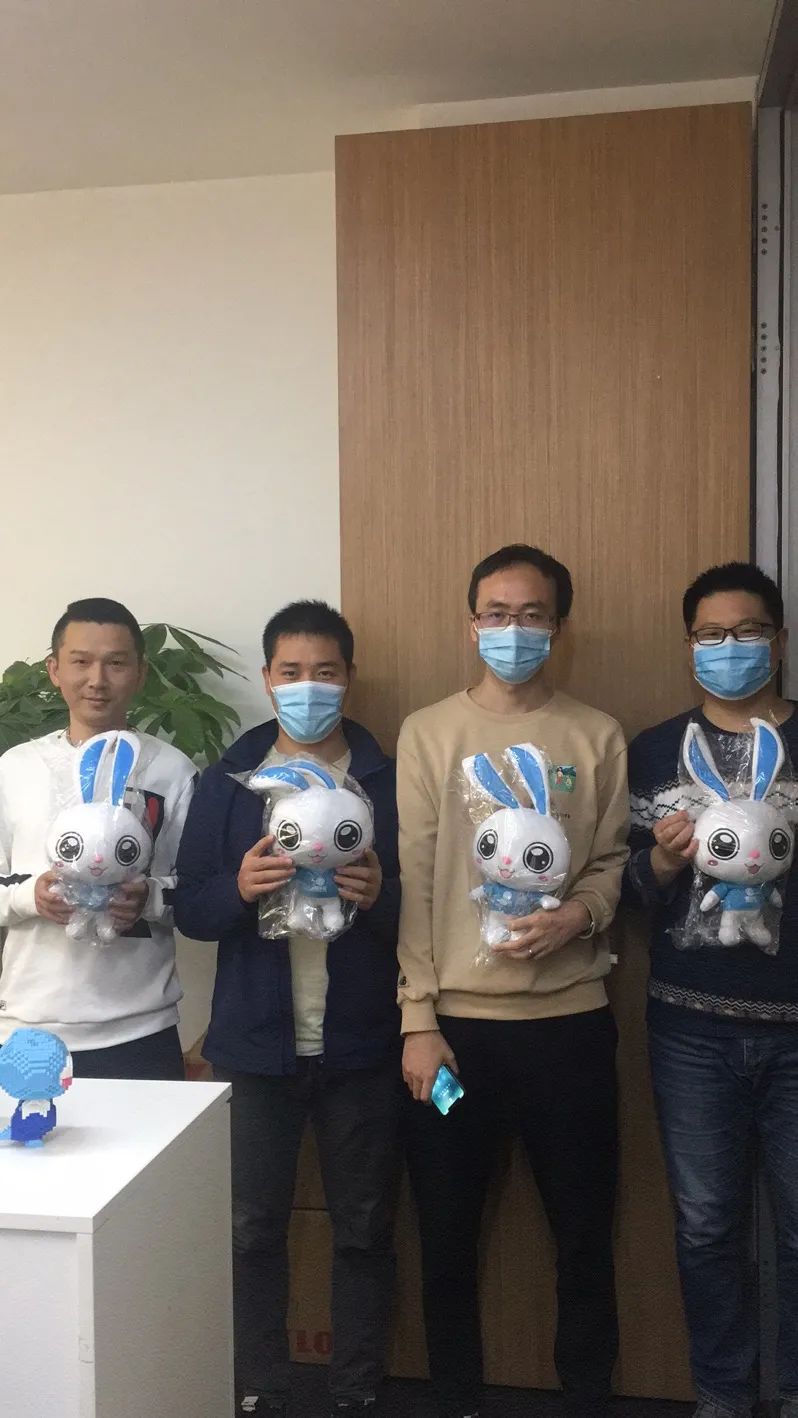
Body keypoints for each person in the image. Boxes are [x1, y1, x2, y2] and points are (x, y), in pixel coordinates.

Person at [397, 544, 629, 1418]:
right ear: (472, 625)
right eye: (496, 614)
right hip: (456, 1038)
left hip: (570, 1029)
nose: (513, 630)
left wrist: (581, 915)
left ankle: (588, 1396)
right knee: (447, 1235)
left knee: (584, 1234)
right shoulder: (429, 732)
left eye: (532, 615)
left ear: (558, 628)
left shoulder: (595, 734)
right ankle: (456, 1396)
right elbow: (417, 883)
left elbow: (610, 861)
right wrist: (419, 1019)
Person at [174, 600, 401, 1418]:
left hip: (362, 1048)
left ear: (350, 677)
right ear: (268, 679)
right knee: (250, 1229)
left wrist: (379, 896)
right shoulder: (229, 781)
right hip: (253, 1047)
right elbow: (191, 911)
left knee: (365, 1227)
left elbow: (428, 912)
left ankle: (357, 1388)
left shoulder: (385, 778)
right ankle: (259, 1384)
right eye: (292, 672)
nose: (309, 688)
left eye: (326, 672)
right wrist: (237, 888)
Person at [625, 562, 798, 1418]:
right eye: (712, 634)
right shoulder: (656, 750)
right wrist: (662, 860)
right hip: (689, 1029)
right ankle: (724, 1396)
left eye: (749, 631)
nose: (731, 647)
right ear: (690, 645)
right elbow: (624, 891)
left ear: (780, 640)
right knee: (705, 1227)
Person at [0, 597, 196, 1079]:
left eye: (116, 663)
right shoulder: (15, 769)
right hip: (30, 1027)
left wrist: (148, 898)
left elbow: (199, 891)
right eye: (81, 662)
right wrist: (30, 897)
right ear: (54, 669)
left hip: (142, 1029)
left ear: (140, 672)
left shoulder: (172, 771)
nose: (97, 680)